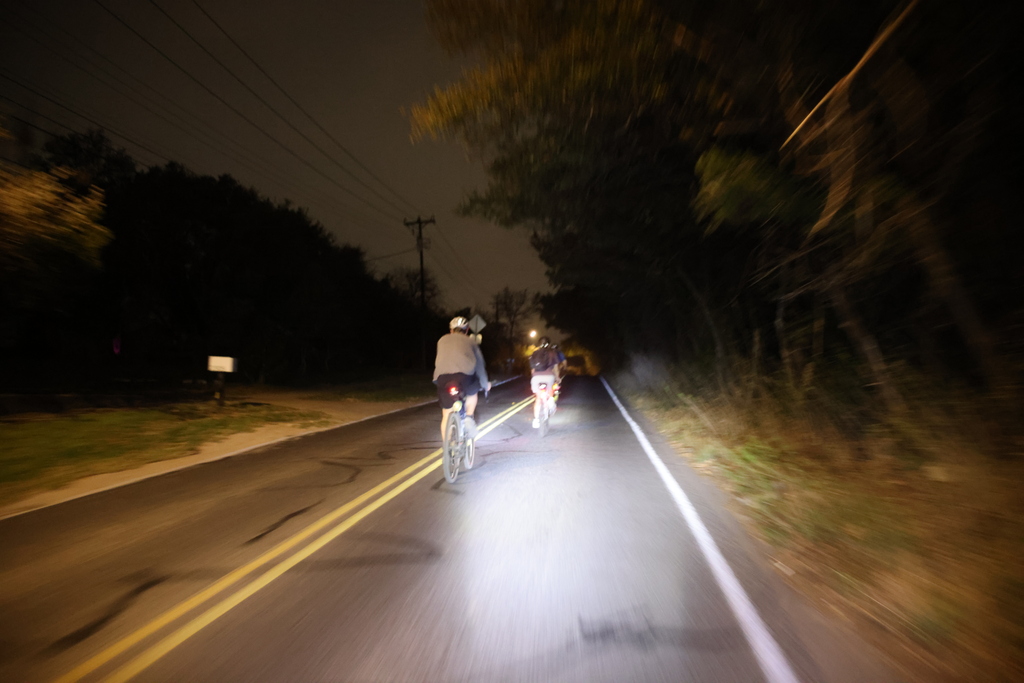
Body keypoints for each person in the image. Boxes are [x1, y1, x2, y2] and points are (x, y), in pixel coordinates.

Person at [433, 316, 491, 440]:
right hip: (464, 376)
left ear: (451, 330)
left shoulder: (441, 340)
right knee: (472, 392)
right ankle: (469, 417)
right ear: (467, 330)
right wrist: (485, 384)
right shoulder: (471, 342)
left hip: (443, 378)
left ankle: (447, 448)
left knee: (446, 413)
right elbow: (480, 365)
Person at [529, 336, 561, 428]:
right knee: (550, 389)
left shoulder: (534, 353)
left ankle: (536, 420)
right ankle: (550, 400)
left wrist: (534, 377)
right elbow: (556, 369)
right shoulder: (552, 353)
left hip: (536, 377)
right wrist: (557, 377)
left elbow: (532, 369)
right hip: (549, 376)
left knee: (538, 399)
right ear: (549, 344)